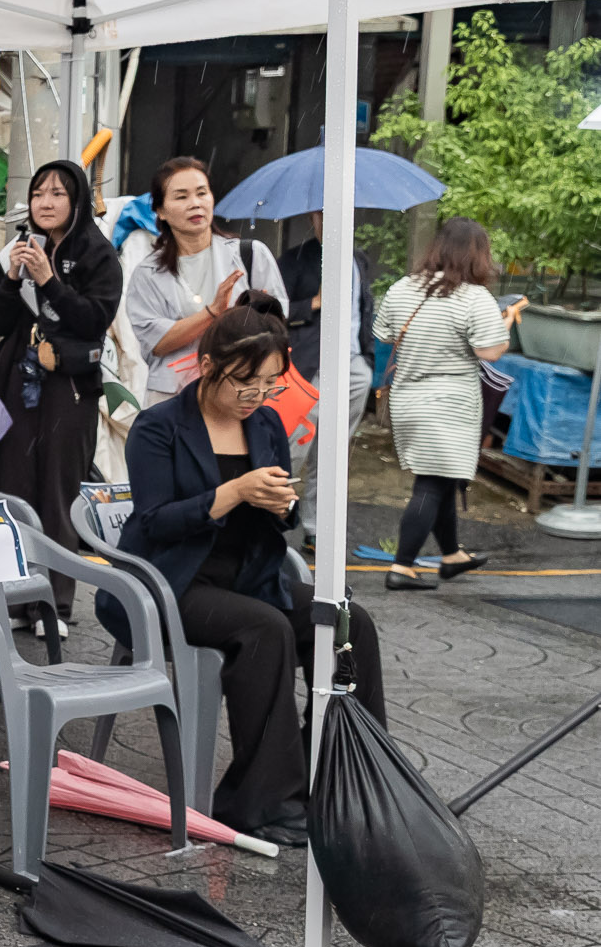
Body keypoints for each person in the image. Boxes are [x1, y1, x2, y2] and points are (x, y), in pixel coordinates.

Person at [111, 303, 386, 841]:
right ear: (208, 363)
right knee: (266, 629)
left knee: (350, 623)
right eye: (245, 383)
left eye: (269, 385)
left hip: (251, 573)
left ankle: (347, 776)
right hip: (174, 582)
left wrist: (280, 505)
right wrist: (232, 492)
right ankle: (258, 802)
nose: (256, 397)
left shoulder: (264, 423)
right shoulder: (159, 426)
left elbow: (285, 518)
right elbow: (154, 522)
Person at [0, 159, 123, 627]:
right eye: (39, 193)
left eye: (58, 193)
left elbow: (93, 320)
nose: (46, 202)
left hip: (68, 385)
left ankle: (56, 604)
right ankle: (20, 599)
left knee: (57, 491)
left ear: (77, 201)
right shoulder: (21, 248)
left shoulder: (97, 254)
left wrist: (49, 282)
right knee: (14, 486)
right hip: (16, 380)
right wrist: (12, 278)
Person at [375, 218, 512, 592]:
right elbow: (490, 351)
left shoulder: (403, 287)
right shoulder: (473, 297)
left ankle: (451, 556)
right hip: (449, 404)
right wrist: (508, 323)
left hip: (408, 398)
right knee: (432, 484)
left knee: (440, 476)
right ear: (478, 255)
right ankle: (401, 567)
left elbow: (384, 333)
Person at [123, 155, 286, 409]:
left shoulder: (251, 255)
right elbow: (158, 343)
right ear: (161, 211)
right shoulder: (146, 274)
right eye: (181, 196)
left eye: (202, 193)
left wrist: (256, 317)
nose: (195, 203)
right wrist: (213, 313)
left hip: (244, 399)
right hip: (175, 402)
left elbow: (278, 326)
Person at [279, 220, 374, 543]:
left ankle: (317, 530)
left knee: (334, 453)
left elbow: (365, 310)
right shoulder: (295, 259)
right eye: (322, 213)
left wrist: (367, 360)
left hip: (353, 367)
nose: (330, 218)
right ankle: (271, 521)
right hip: (309, 368)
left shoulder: (358, 258)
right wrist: (315, 302)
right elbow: (273, 308)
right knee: (293, 447)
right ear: (313, 218)